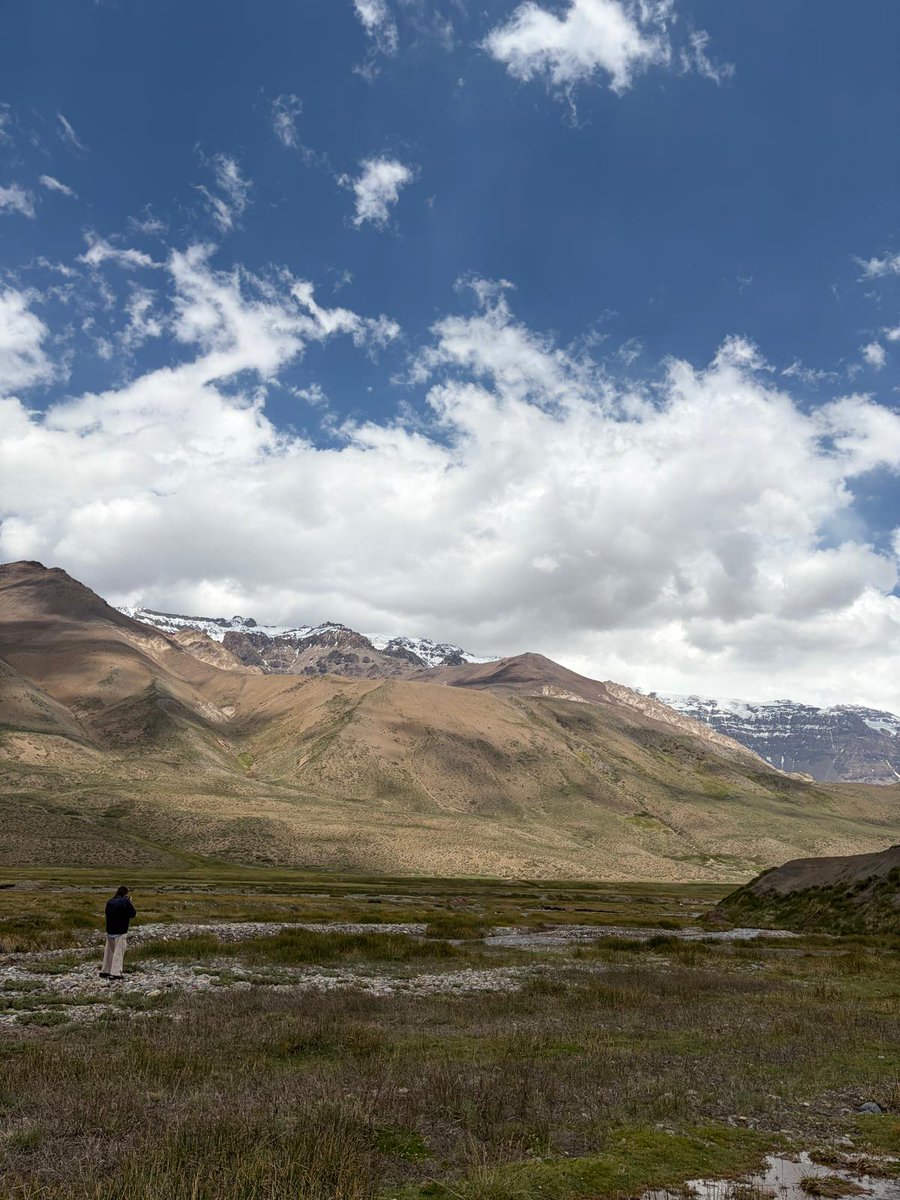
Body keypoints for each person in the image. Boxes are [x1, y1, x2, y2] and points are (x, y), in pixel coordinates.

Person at [100, 886, 136, 980]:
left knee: (109, 952)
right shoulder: (125, 901)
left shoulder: (110, 901)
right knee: (118, 953)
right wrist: (129, 902)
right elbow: (133, 914)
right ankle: (116, 972)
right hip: (121, 930)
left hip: (110, 930)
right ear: (125, 893)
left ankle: (105, 970)